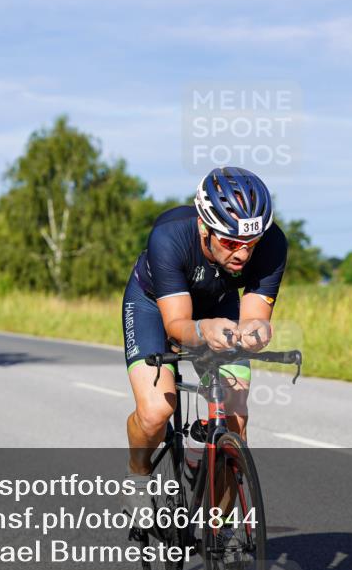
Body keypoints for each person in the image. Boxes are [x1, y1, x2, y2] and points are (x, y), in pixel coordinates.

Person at [122, 166, 287, 501]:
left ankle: (224, 534)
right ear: (204, 226)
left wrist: (256, 332)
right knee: (156, 412)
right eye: (229, 241)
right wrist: (203, 329)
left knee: (235, 419)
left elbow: (254, 316)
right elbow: (178, 325)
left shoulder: (273, 245)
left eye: (250, 243)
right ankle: (138, 475)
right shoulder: (169, 236)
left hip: (218, 303)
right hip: (155, 306)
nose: (242, 253)